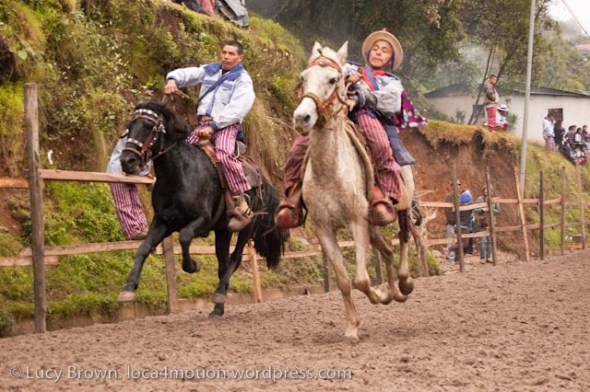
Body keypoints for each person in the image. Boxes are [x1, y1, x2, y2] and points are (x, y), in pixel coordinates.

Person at [274, 29, 426, 229]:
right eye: (376, 49)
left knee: (380, 144)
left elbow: (390, 103)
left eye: (384, 51)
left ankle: (385, 195)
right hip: (335, 113)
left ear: (391, 58)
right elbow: (327, 76)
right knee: (299, 146)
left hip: (366, 114)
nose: (378, 53)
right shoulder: (348, 67)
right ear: (368, 52)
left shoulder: (392, 83)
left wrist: (360, 96)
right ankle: (293, 194)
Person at [164, 40, 255, 232]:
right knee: (183, 150)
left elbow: (238, 109)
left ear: (240, 58)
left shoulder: (243, 80)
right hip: (203, 124)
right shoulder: (210, 70)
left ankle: (240, 200)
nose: (226, 56)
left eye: (231, 54)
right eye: (224, 52)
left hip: (226, 125)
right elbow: (189, 73)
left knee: (223, 154)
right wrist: (172, 79)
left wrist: (214, 126)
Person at [106, 136, 150, 241]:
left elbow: (145, 155)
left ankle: (142, 228)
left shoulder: (148, 137)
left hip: (131, 172)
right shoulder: (133, 134)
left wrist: (145, 173)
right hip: (119, 171)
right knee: (124, 203)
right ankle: (132, 231)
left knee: (135, 203)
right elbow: (132, 152)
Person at [474, 186, 500, 264]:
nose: (486, 191)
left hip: (492, 222)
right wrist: (481, 210)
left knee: (490, 241)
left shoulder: (494, 200)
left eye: (488, 190)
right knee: (482, 241)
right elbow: (475, 209)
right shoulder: (480, 199)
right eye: (485, 189)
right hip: (482, 222)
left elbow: (498, 211)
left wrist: (490, 209)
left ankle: (489, 257)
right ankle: (482, 258)